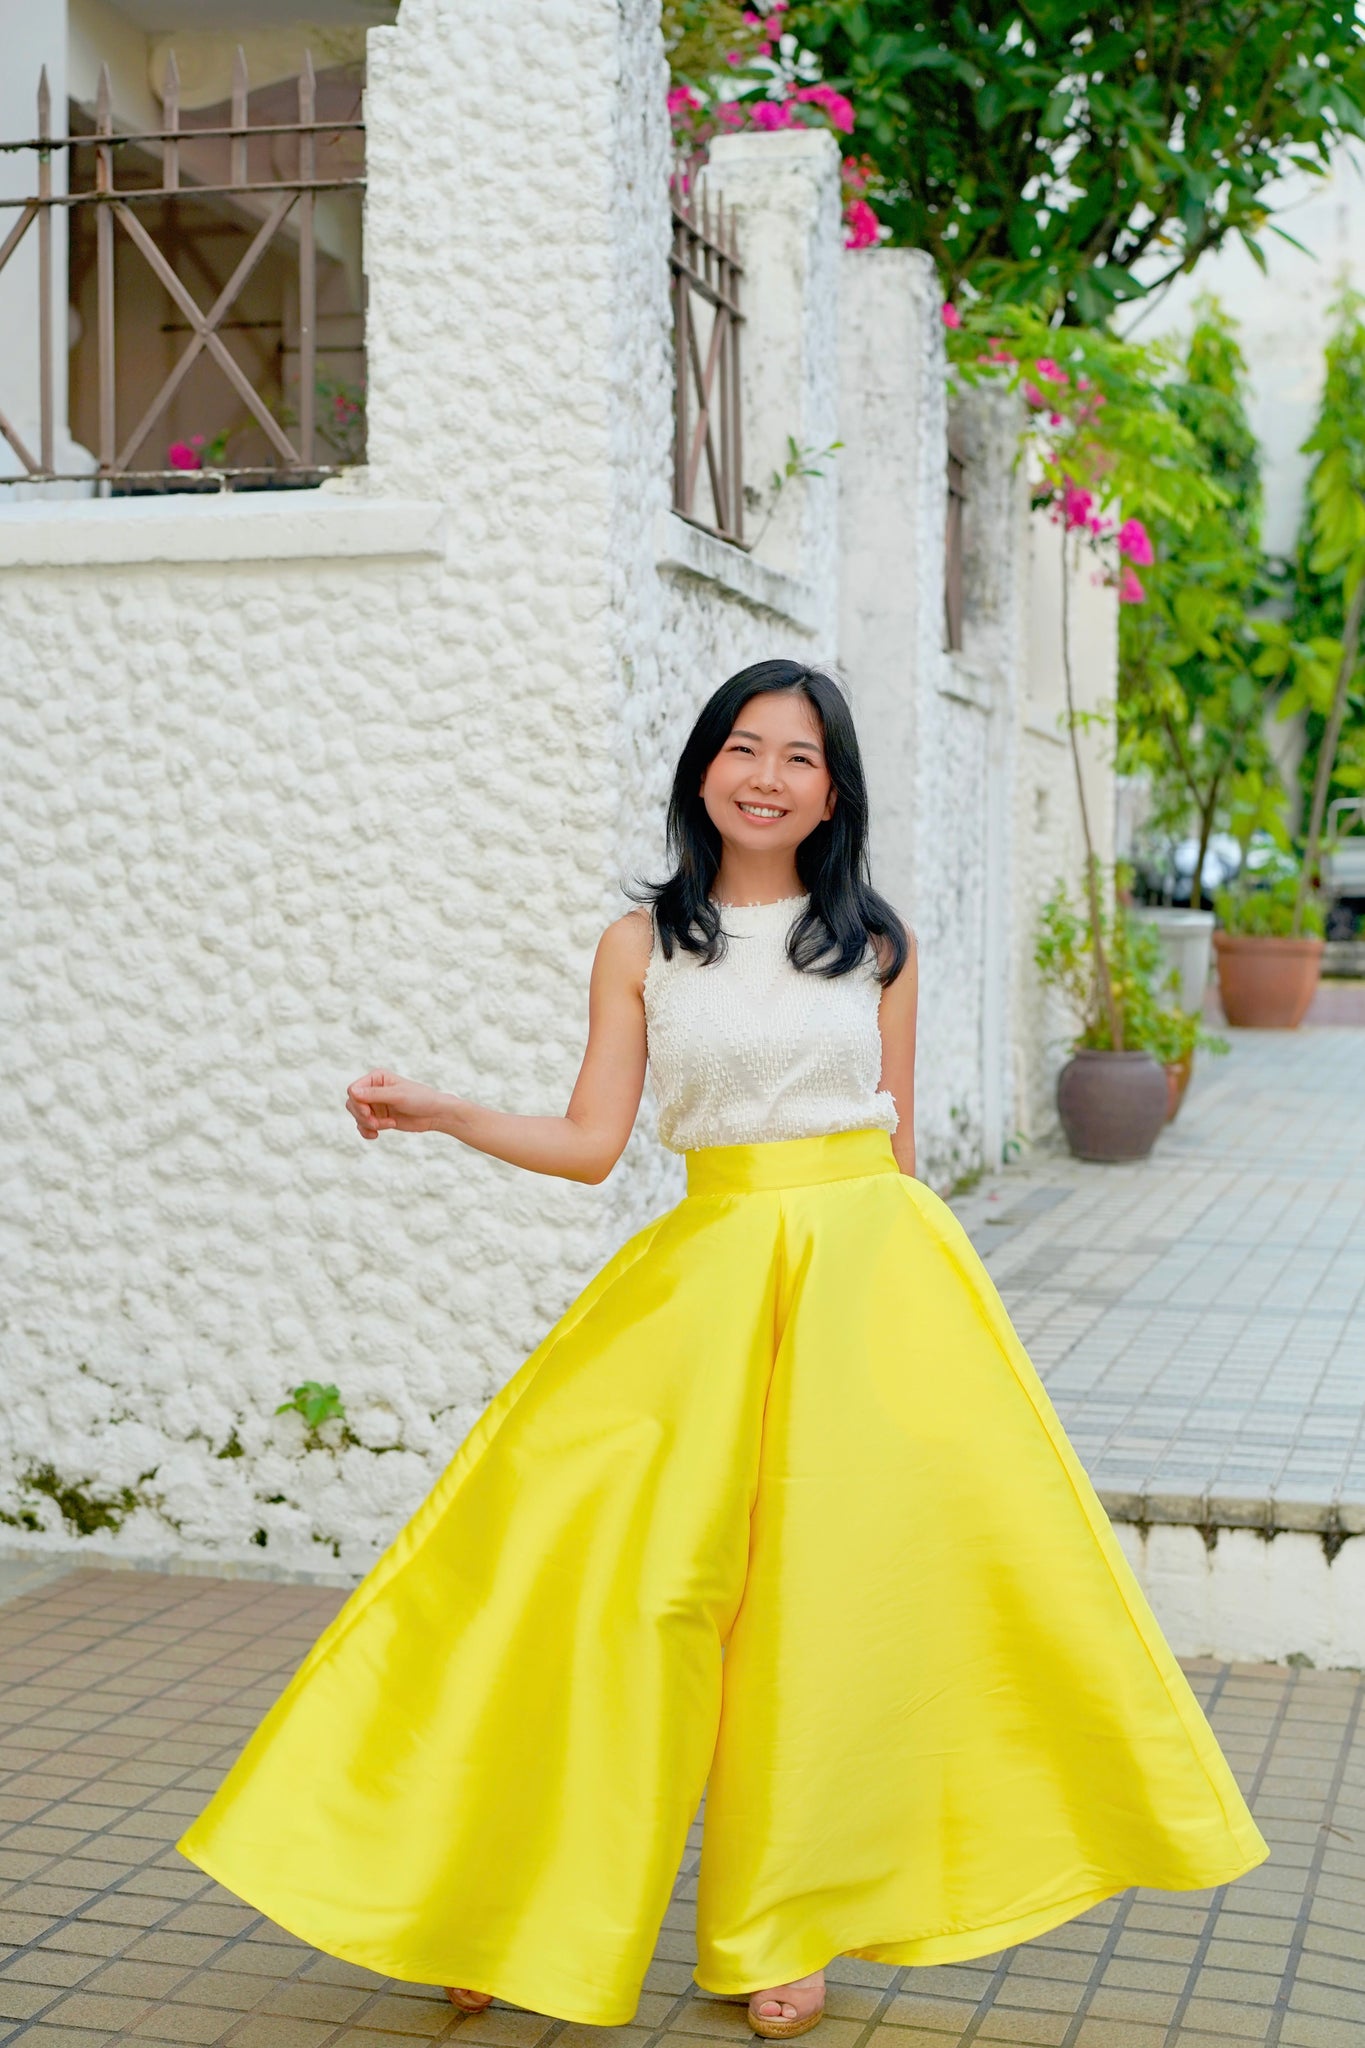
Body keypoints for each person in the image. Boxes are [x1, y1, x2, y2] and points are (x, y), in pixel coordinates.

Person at [177, 659, 1267, 2040]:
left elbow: (896, 1144)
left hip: (869, 1282)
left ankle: (783, 1925)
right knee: (592, 1585)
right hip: (698, 1281)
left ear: (832, 792)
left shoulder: (875, 943)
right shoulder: (640, 945)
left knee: (831, 1614)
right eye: (740, 747)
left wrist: (932, 1337)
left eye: (797, 757)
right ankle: (496, 1902)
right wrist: (443, 1112)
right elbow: (589, 1146)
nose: (765, 774)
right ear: (702, 769)